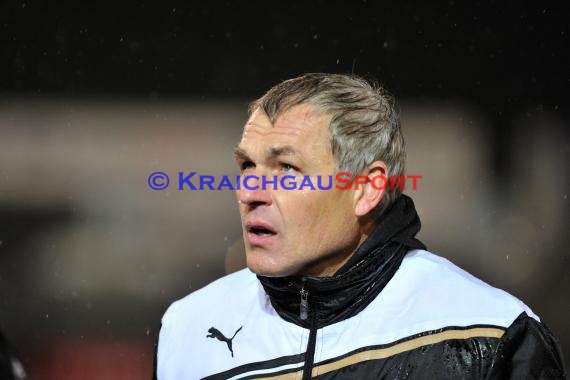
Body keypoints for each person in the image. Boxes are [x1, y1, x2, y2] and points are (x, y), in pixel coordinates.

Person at [155, 73, 566, 379]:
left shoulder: (490, 333)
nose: (250, 192)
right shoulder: (187, 327)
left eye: (286, 168)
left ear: (367, 190)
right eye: (247, 165)